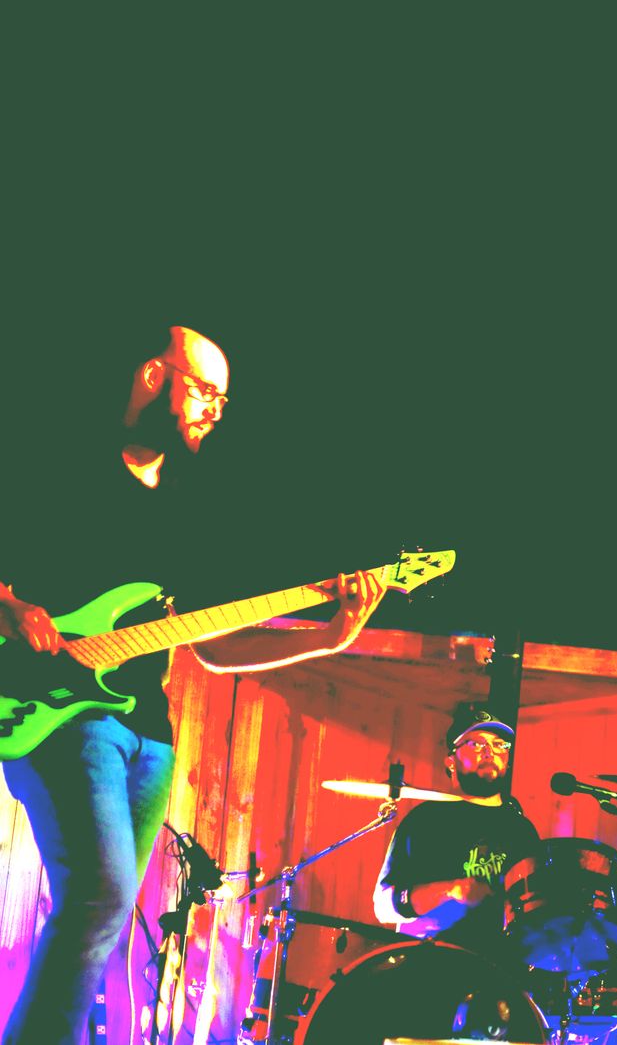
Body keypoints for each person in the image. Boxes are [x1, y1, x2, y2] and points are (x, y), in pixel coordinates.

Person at [0, 326, 386, 1045]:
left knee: (104, 913)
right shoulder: (58, 459)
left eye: (223, 400)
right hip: (55, 711)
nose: (214, 409)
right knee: (101, 895)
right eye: (205, 390)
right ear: (155, 375)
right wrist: (11, 606)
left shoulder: (189, 504)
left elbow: (209, 643)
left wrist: (329, 635)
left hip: (148, 732)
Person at [373, 703, 542, 960]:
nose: (490, 752)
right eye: (476, 744)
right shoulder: (425, 820)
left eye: (499, 744)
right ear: (450, 762)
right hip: (430, 964)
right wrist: (451, 890)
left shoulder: (522, 830)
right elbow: (384, 907)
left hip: (498, 971)